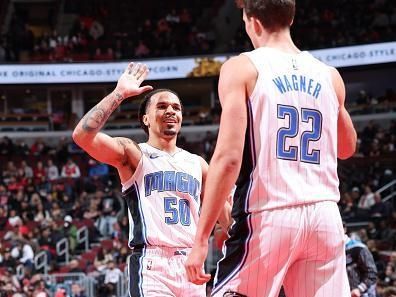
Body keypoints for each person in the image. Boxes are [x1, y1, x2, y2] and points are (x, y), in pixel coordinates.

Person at [185, 1, 357, 296]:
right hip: (325, 216)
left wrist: (201, 238)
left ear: (253, 23)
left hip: (270, 214)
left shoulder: (242, 68)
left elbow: (227, 159)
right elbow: (347, 147)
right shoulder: (329, 75)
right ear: (291, 17)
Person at [73, 62, 231, 296]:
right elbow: (82, 136)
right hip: (152, 263)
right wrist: (120, 94)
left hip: (192, 263)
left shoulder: (198, 164)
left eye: (176, 108)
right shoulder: (134, 153)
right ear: (145, 119)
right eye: (162, 106)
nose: (171, 111)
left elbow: (226, 219)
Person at [344, 226, 378, 297]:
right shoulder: (333, 250)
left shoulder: (358, 247)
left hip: (362, 293)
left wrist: (359, 289)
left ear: (344, 229)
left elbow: (372, 273)